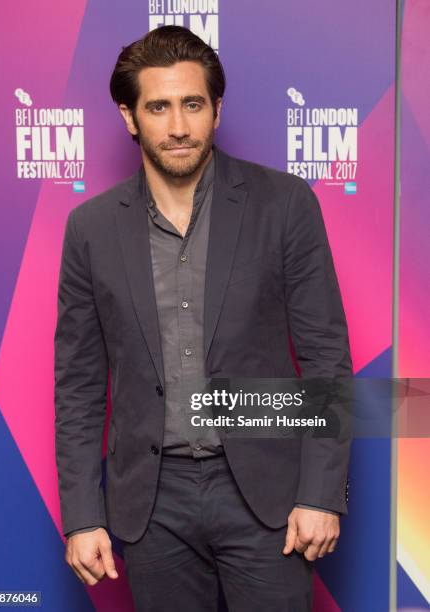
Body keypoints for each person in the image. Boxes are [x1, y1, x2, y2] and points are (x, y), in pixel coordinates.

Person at [54, 25, 352, 611]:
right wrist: (83, 516)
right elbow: (79, 386)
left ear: (217, 108)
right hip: (151, 506)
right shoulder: (90, 229)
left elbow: (325, 357)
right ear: (129, 116)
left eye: (193, 104)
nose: (179, 126)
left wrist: (321, 495)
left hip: (266, 497)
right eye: (158, 107)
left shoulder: (285, 204)